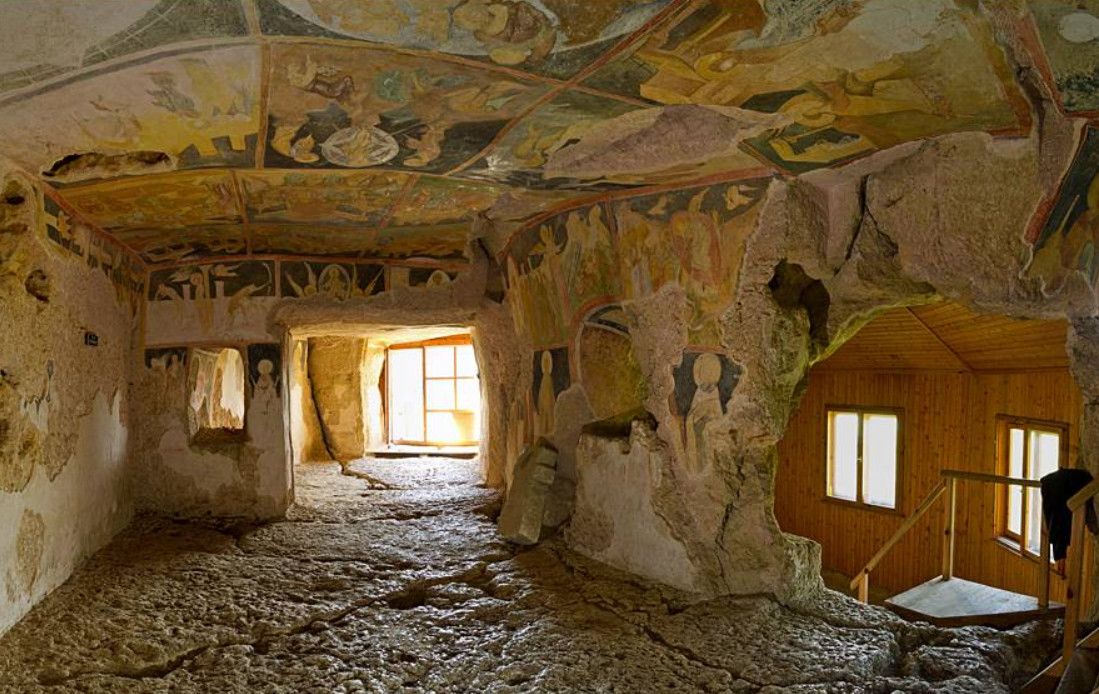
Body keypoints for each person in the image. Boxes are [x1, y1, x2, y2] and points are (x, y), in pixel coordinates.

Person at [1041, 468, 1098, 576]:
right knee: (1059, 519)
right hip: (1073, 485)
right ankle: (1060, 559)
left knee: (1059, 519)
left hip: (1072, 486)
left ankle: (1060, 559)